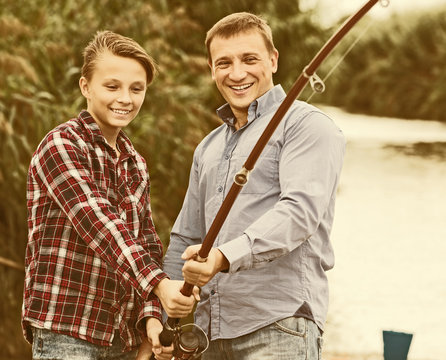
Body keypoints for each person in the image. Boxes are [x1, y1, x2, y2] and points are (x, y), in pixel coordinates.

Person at [163, 12, 345, 359]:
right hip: (207, 335)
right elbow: (185, 238)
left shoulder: (308, 127)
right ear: (211, 69)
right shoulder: (207, 147)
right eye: (224, 63)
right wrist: (160, 313)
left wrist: (222, 256)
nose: (237, 73)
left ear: (273, 60)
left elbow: (299, 213)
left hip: (280, 327)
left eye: (249, 59)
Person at [22, 30, 198, 360]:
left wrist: (151, 318)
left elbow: (146, 243)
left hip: (122, 342)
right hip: (66, 332)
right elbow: (100, 224)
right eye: (112, 86)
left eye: (137, 89)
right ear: (85, 86)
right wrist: (160, 285)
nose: (125, 99)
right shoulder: (61, 145)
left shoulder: (136, 163)